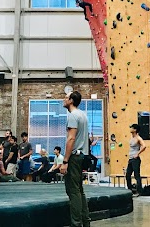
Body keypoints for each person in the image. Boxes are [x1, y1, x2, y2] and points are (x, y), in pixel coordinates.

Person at [59, 90, 90, 227]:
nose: (63, 99)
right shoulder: (83, 115)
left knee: (73, 191)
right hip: (82, 155)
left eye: (66, 97)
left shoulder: (73, 116)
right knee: (79, 190)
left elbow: (71, 138)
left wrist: (65, 161)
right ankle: (85, 222)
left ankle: (76, 224)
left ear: (71, 100)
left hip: (74, 157)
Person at [125, 123, 146, 195]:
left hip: (135, 159)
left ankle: (139, 191)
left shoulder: (138, 138)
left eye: (132, 128)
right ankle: (129, 190)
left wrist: (137, 153)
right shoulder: (132, 138)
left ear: (135, 130)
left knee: (137, 175)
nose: (130, 129)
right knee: (128, 175)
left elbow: (144, 146)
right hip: (130, 159)